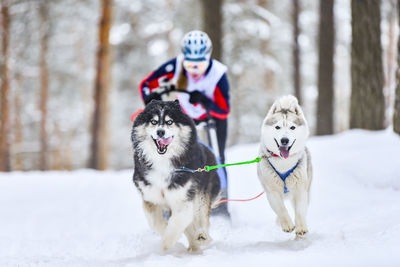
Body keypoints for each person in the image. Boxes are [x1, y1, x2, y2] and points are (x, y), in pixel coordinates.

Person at [139, 30, 230, 217]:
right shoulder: (176, 66)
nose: (194, 70)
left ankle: (220, 204)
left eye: (200, 64)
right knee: (174, 157)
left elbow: (223, 109)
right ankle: (171, 204)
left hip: (213, 120)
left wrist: (205, 101)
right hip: (186, 119)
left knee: (217, 159)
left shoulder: (217, 73)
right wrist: (151, 100)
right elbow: (147, 85)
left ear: (208, 57)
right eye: (190, 64)